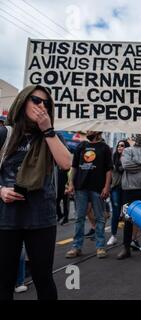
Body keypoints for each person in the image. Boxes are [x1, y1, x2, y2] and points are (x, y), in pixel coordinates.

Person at [0, 85, 71, 300]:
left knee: (43, 278)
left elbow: (66, 163)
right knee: (4, 280)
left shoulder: (51, 136)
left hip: (41, 217)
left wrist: (47, 130)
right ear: (23, 101)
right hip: (7, 218)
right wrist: (1, 190)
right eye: (36, 100)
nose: (42, 106)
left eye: (47, 104)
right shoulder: (6, 133)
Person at [65, 131, 112, 259]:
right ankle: (76, 247)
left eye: (92, 129)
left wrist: (106, 186)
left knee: (100, 218)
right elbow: (74, 167)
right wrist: (70, 184)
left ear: (98, 132)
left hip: (97, 188)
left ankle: (100, 247)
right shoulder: (81, 146)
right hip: (81, 187)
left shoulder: (105, 148)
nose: (89, 131)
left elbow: (109, 169)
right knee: (79, 218)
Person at [117, 134, 141, 260]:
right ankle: (126, 248)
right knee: (128, 219)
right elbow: (126, 165)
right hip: (129, 189)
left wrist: (137, 164)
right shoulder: (127, 150)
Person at [107, 139, 129, 246]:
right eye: (118, 146)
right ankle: (113, 235)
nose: (120, 147)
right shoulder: (113, 158)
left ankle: (128, 238)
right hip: (115, 188)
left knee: (127, 214)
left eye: (122, 145)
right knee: (115, 212)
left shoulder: (129, 158)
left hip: (127, 188)